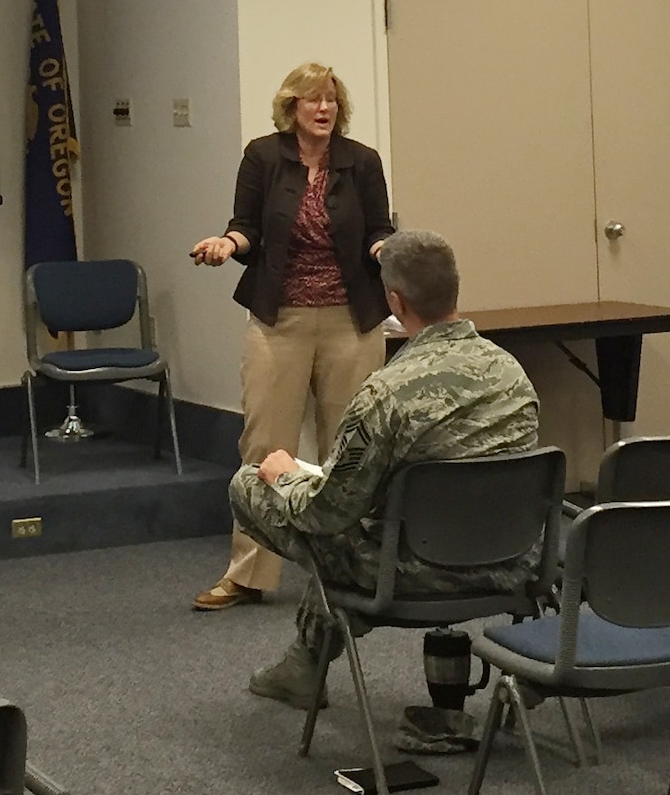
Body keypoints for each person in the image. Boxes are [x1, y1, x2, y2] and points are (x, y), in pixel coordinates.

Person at [230, 230, 540, 707]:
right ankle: (304, 660)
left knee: (251, 485)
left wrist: (283, 475)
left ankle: (307, 663)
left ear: (394, 300)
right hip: (510, 564)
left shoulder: (385, 393)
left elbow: (326, 513)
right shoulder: (511, 373)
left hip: (411, 573)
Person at [188, 63, 396, 611]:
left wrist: (383, 251)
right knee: (264, 445)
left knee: (351, 450)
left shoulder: (363, 162)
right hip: (278, 320)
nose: (323, 109)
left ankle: (351, 570)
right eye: (312, 100)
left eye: (331, 99)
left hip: (352, 321)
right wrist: (228, 245)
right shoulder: (264, 156)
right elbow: (248, 227)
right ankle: (249, 574)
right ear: (291, 107)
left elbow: (380, 229)